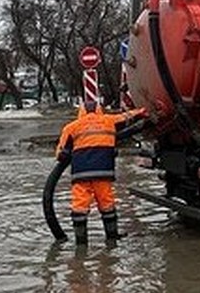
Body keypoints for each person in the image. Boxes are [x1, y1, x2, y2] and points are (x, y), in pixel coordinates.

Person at [55, 99, 144, 245]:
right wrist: (142, 112)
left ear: (81, 112)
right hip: (103, 174)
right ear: (99, 109)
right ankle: (112, 238)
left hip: (80, 176)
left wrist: (69, 153)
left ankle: (81, 243)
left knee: (79, 208)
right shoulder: (109, 121)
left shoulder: (71, 127)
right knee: (107, 205)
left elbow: (60, 155)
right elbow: (127, 117)